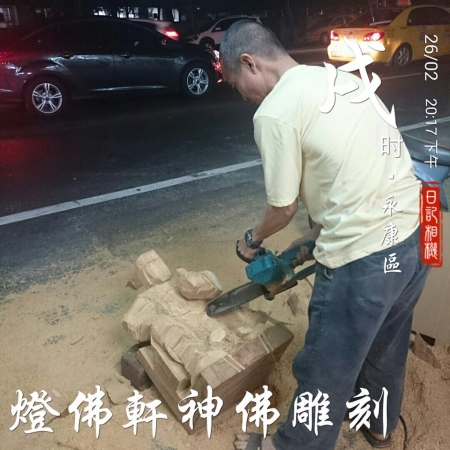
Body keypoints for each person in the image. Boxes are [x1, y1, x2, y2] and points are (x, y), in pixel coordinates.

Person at [220, 20, 430, 450]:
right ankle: (379, 427)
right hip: (416, 235)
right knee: (387, 346)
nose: (243, 96)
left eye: (238, 85)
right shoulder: (342, 80)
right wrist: (313, 239)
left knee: (324, 365)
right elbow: (358, 174)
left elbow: (282, 209)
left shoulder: (275, 111)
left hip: (364, 259)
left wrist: (251, 241)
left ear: (249, 62)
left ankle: (292, 445)